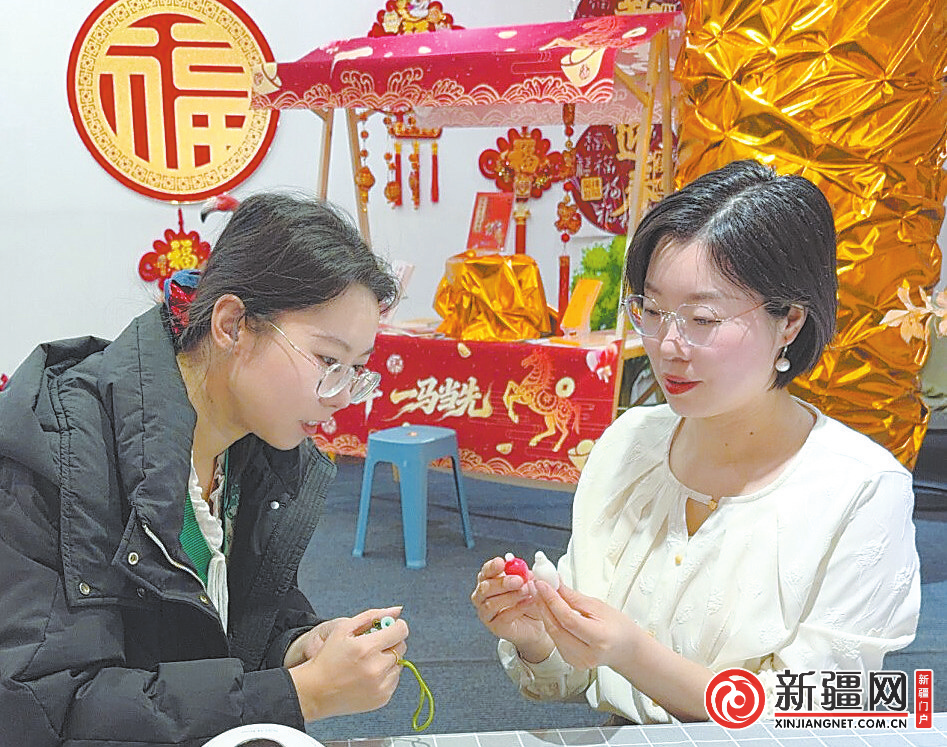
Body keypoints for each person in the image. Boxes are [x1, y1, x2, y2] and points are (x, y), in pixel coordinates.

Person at [470, 159, 921, 724]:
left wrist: (634, 654)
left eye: (702, 319)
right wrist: (539, 635)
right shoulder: (629, 444)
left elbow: (817, 709)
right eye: (652, 310)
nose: (667, 345)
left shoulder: (861, 489)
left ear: (789, 321)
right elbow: (582, 671)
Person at [0, 193, 410, 745]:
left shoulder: (257, 448)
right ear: (232, 324)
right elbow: (42, 705)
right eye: (327, 361)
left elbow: (220, 631)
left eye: (356, 370)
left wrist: (296, 648)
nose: (340, 396)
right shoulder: (61, 450)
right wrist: (296, 694)